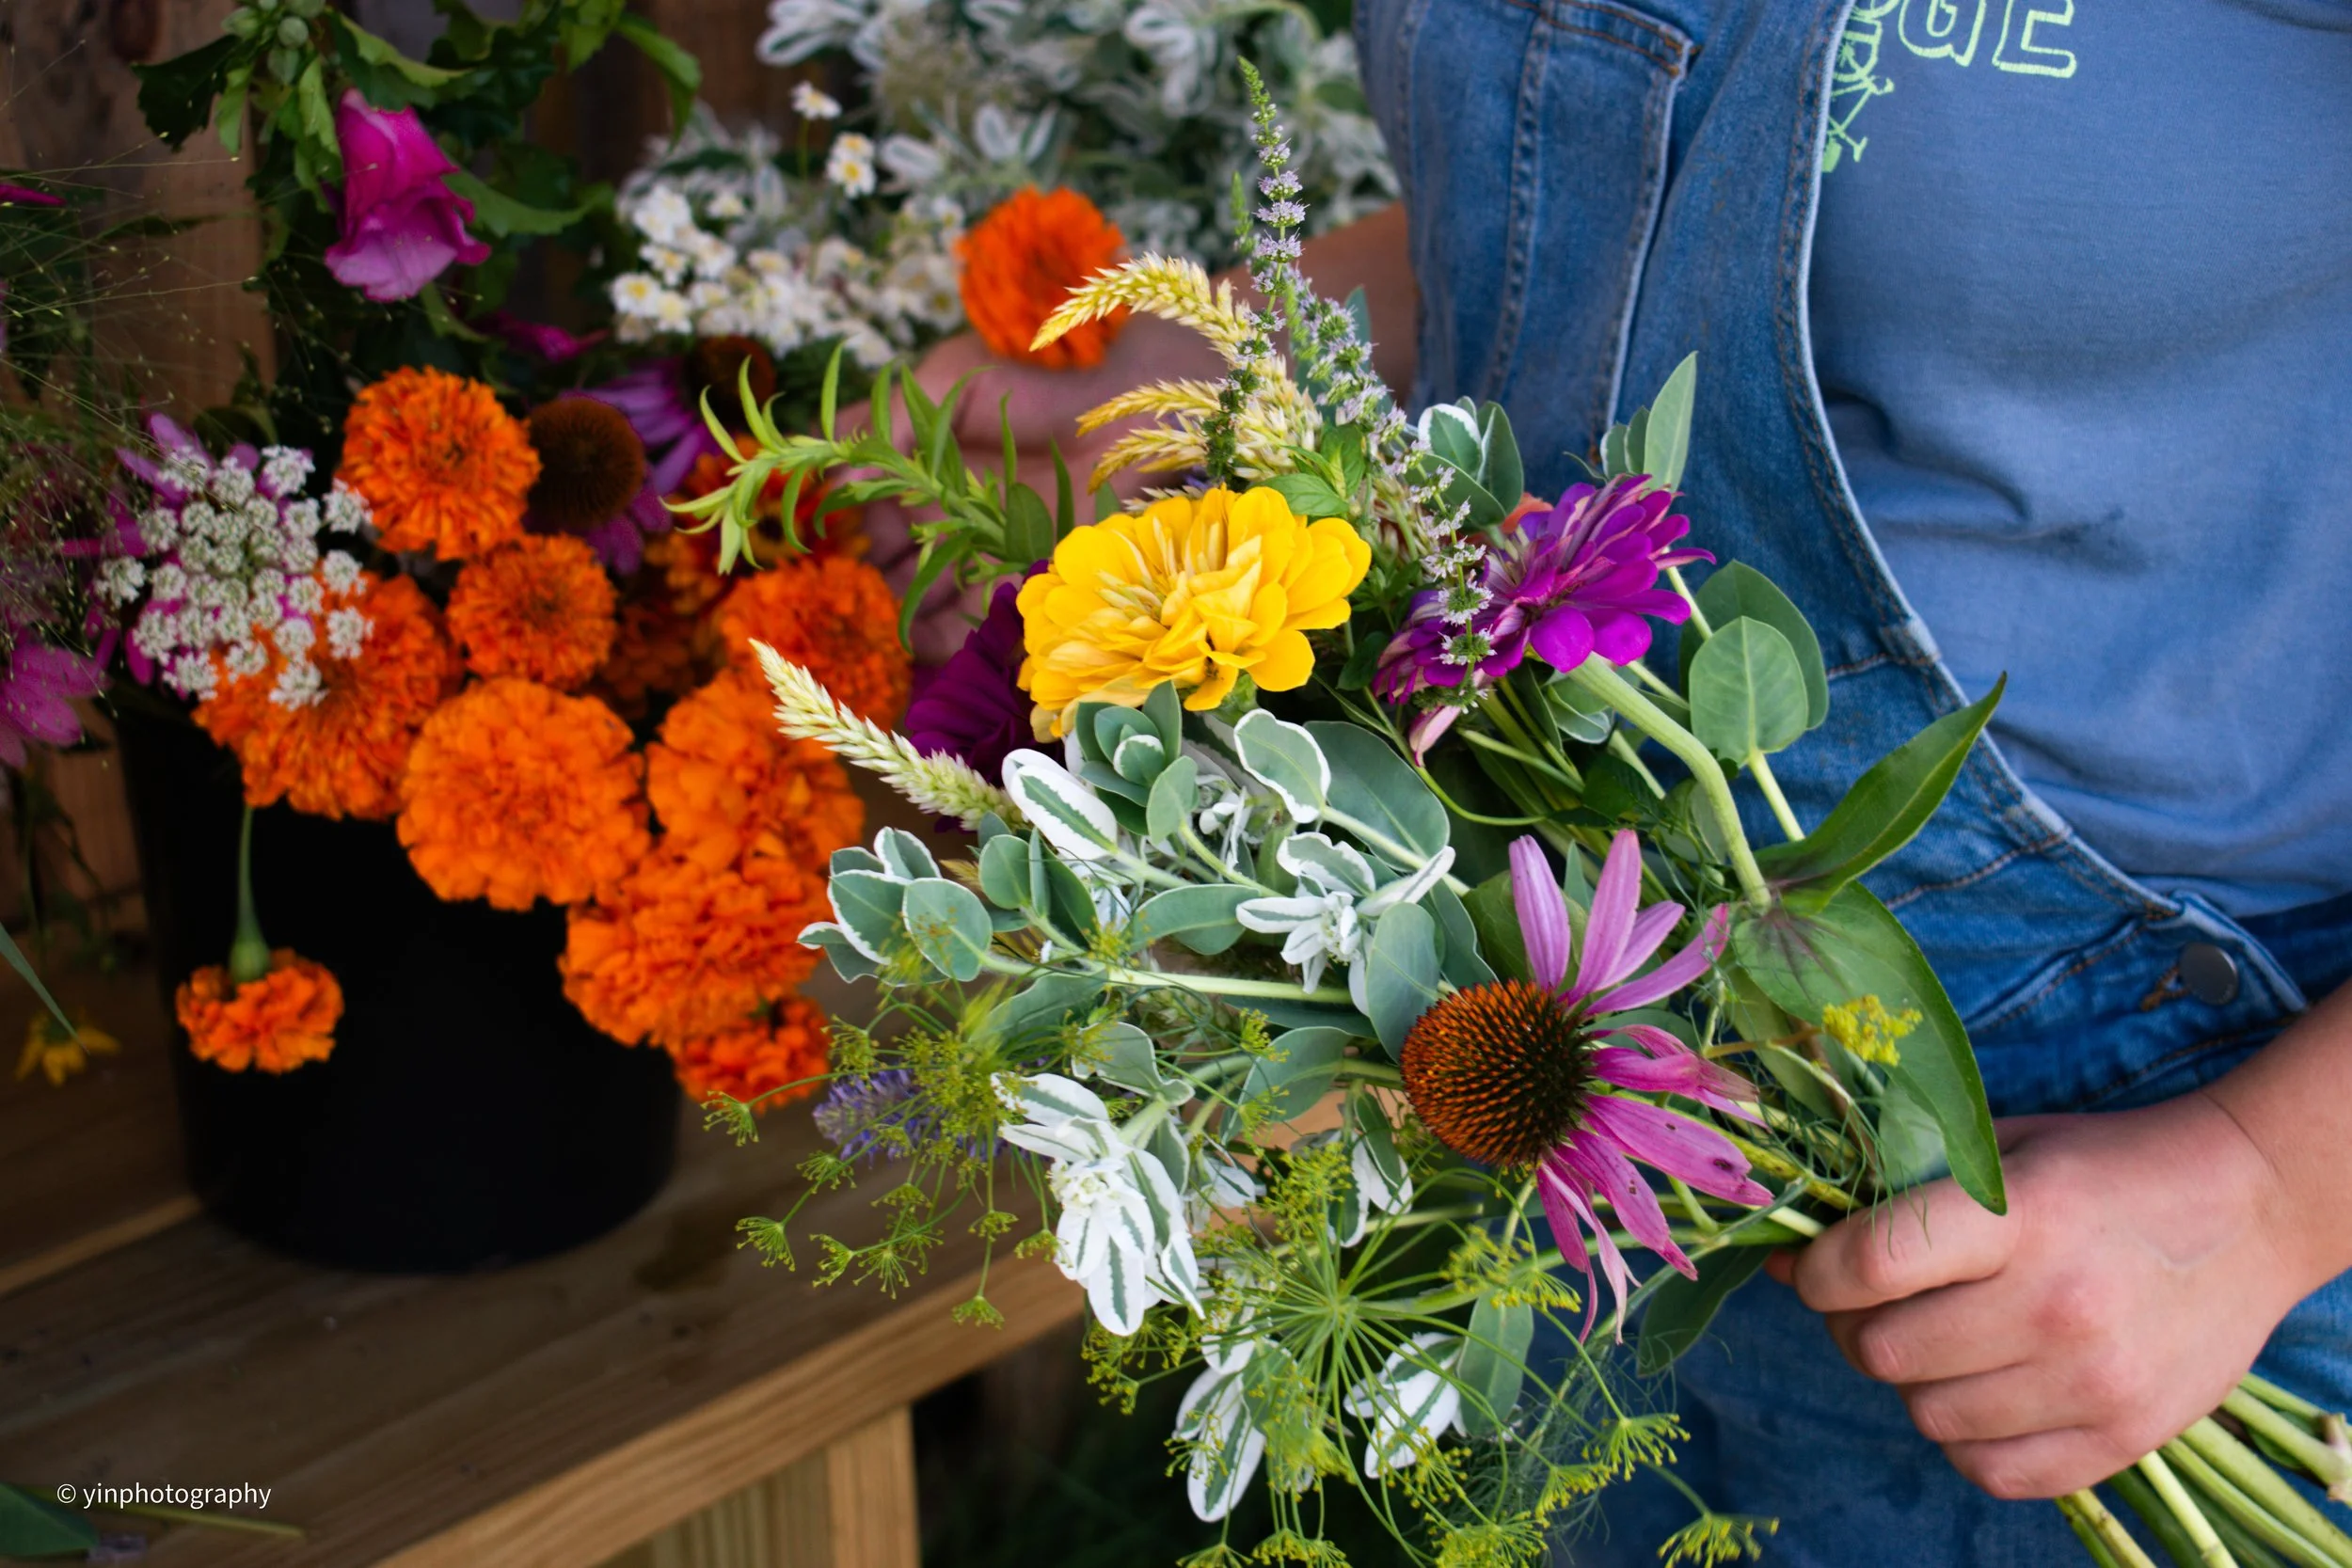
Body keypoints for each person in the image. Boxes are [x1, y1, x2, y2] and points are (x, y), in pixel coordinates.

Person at [862, 4, 2352, 1561]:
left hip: (2144, 1209)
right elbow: (1605, 236)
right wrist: (1238, 364)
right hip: (1579, 1087)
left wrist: (2262, 1192)